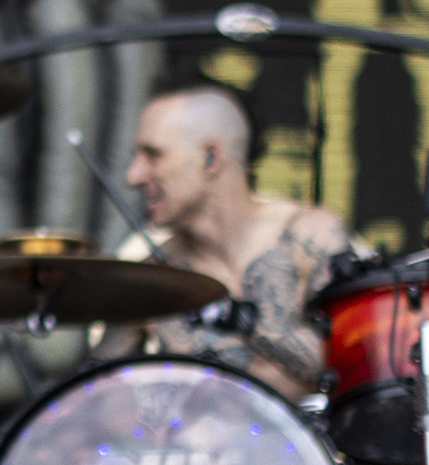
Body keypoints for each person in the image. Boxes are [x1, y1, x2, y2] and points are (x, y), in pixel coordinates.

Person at [95, 82, 355, 399]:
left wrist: (235, 316)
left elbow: (359, 362)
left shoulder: (309, 238)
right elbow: (95, 401)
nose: (133, 176)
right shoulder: (150, 281)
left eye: (153, 155)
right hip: (195, 446)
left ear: (210, 158)